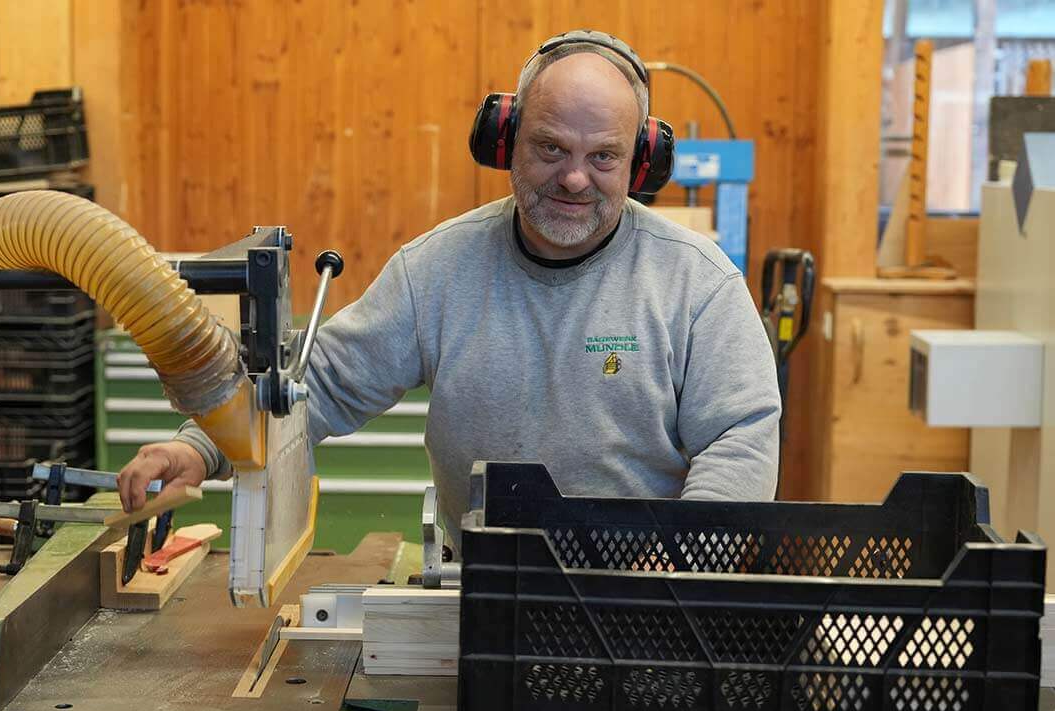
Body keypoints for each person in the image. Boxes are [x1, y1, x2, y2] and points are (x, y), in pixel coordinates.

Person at [118, 30, 781, 545]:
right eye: (551, 149)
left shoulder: (696, 282)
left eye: (602, 156)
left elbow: (740, 435)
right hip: (485, 595)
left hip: (644, 594)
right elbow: (322, 385)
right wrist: (202, 445)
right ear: (506, 142)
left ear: (640, 162)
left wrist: (689, 558)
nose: (575, 179)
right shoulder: (438, 270)